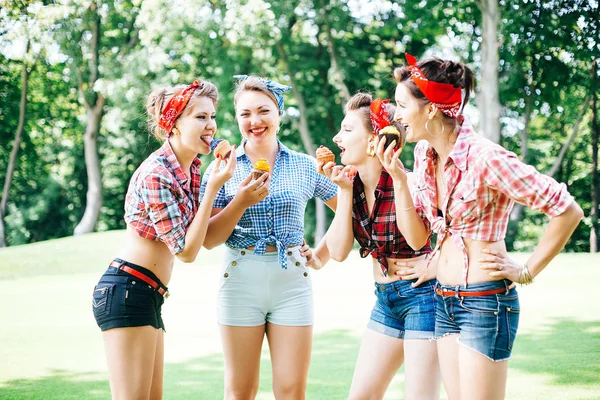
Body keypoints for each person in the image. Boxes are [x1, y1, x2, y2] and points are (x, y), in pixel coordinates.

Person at [383, 53, 583, 400]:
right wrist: (399, 180)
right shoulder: (423, 156)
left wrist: (526, 270)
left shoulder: (485, 157)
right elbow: (417, 240)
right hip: (443, 300)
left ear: (430, 109)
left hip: (485, 302)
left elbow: (568, 210)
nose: (395, 115)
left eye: (402, 105)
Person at [91, 79, 235, 400]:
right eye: (200, 117)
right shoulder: (157, 173)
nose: (211, 125)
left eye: (212, 116)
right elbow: (185, 251)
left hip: (148, 294)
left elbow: (202, 235)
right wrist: (213, 187)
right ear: (172, 123)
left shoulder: (192, 169)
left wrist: (238, 196)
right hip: (128, 290)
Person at [200, 75, 338, 400]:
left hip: (293, 282)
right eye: (245, 114)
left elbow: (348, 207)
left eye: (264, 111)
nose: (255, 121)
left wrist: (321, 254)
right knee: (240, 391)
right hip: (239, 278)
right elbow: (208, 239)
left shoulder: (305, 166)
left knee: (291, 391)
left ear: (279, 113)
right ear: (237, 119)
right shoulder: (222, 168)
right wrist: (241, 201)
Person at [318, 92, 441, 400]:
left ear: (375, 139)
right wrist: (344, 191)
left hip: (422, 297)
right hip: (386, 301)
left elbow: (417, 240)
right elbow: (338, 252)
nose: (337, 137)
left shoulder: (408, 181)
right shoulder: (352, 184)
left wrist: (399, 182)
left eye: (347, 130)